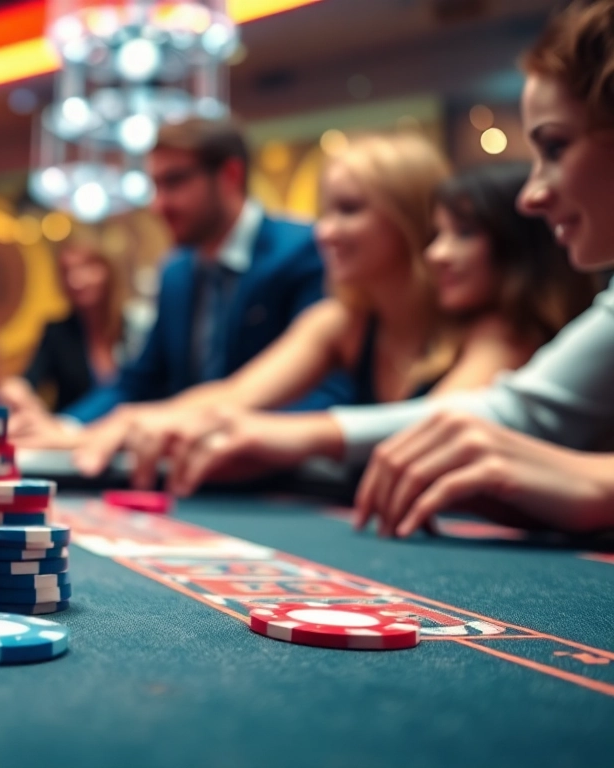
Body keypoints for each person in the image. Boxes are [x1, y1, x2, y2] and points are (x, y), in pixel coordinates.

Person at [142, 0, 614, 536]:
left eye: (555, 146)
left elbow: (471, 427)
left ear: (406, 222)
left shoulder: (488, 327)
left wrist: (598, 484)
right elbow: (229, 400)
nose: (532, 195)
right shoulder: (343, 320)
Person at [8, 118, 351, 452]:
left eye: (174, 182)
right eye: (155, 186)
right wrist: (66, 428)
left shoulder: (304, 251)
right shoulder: (175, 273)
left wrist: (222, 434)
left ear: (230, 175)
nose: (158, 205)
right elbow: (139, 382)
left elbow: (326, 390)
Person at [0, 243, 145, 415]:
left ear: (107, 271)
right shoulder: (57, 333)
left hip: (129, 432)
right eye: (67, 272)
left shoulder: (137, 328)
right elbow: (30, 380)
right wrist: (14, 388)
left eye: (86, 268)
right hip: (71, 432)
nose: (76, 280)